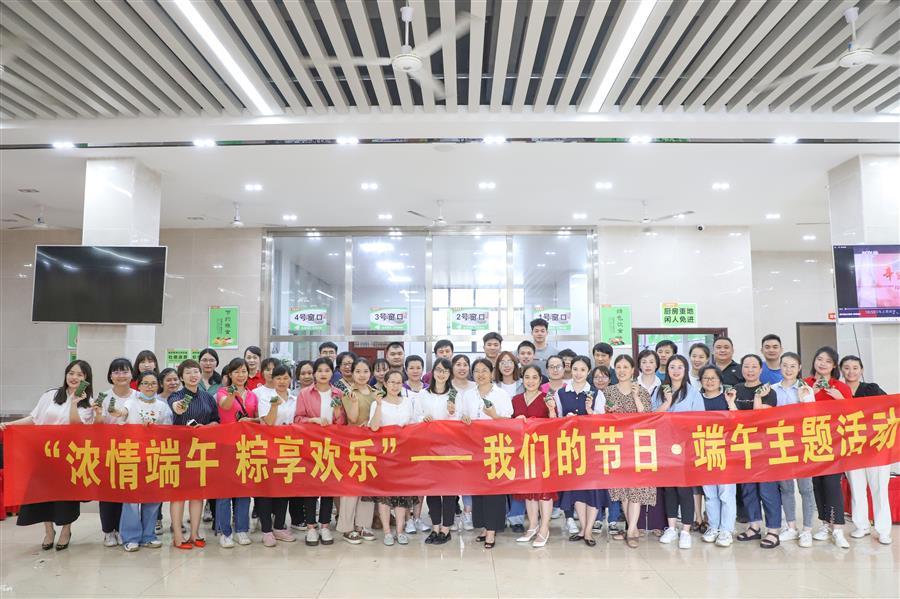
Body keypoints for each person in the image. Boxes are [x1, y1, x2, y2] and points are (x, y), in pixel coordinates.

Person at [1, 360, 94, 551]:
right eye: (71, 373)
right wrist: (10, 425)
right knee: (43, 494)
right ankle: (48, 531)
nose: (74, 377)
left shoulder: (89, 402)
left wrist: (74, 403)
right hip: (44, 453)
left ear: (86, 379)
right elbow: (34, 418)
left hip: (68, 456)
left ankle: (66, 530)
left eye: (80, 374)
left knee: (66, 497)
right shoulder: (50, 395)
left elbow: (77, 427)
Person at [117, 371, 173, 552]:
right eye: (146, 383)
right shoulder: (130, 402)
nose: (149, 387)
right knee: (132, 499)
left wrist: (155, 429)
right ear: (139, 385)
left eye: (153, 383)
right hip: (132, 456)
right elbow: (122, 413)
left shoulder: (163, 406)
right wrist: (114, 411)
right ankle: (130, 537)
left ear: (158, 385)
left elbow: (168, 430)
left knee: (153, 497)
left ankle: (148, 535)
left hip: (154, 456)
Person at [731, 354, 782, 549]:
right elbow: (733, 419)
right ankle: (754, 526)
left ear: (761, 370)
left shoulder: (768, 391)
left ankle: (773, 530)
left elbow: (760, 419)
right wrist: (732, 403)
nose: (750, 370)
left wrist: (758, 398)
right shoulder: (736, 390)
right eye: (746, 366)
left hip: (764, 448)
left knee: (768, 490)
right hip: (743, 447)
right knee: (748, 489)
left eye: (754, 367)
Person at [840, 355, 892, 545]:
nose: (851, 372)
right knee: (857, 488)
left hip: (876, 448)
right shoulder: (838, 391)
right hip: (851, 448)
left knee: (879, 490)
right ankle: (861, 525)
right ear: (841, 370)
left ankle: (883, 530)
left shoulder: (872, 389)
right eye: (847, 368)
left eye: (855, 368)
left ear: (861, 370)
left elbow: (890, 407)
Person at [805, 346, 853, 549]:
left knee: (832, 483)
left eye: (827, 361)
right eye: (819, 359)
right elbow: (797, 411)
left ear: (834, 366)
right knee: (817, 483)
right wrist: (812, 394)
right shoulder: (806, 384)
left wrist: (840, 399)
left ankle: (838, 528)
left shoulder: (841, 387)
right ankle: (825, 524)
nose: (822, 364)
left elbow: (854, 414)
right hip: (811, 441)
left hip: (835, 442)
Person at [653, 356, 704, 549]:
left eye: (680, 367)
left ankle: (686, 531)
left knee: (684, 489)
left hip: (685, 447)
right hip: (664, 446)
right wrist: (667, 403)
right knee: (669, 488)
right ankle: (672, 528)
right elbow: (651, 417)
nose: (675, 371)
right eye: (672, 367)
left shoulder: (693, 393)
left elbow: (700, 421)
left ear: (685, 370)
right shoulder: (659, 391)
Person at [168, 359, 219, 548]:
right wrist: (180, 407)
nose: (193, 375)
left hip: (201, 450)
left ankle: (195, 534)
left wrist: (206, 427)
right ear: (181, 377)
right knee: (179, 494)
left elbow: (216, 420)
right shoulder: (176, 396)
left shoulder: (208, 397)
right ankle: (178, 537)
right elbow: (176, 406)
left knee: (198, 494)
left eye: (195, 371)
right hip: (179, 450)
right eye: (188, 372)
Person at [462, 358, 513, 548]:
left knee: (494, 490)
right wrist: (463, 418)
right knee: (478, 489)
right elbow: (461, 416)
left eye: (484, 370)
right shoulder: (468, 395)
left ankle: (492, 530)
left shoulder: (501, 394)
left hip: (495, 446)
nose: (480, 374)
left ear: (492, 373)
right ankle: (484, 526)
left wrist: (494, 416)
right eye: (476, 371)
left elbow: (509, 422)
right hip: (474, 446)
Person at [294, 358, 346, 546]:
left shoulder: (338, 393)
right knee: (311, 486)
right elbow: (297, 419)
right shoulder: (305, 393)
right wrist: (313, 420)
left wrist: (338, 411)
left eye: (327, 370)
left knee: (327, 486)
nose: (323, 374)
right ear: (315, 373)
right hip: (311, 445)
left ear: (332, 373)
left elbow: (342, 423)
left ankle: (325, 525)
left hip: (331, 445)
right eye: (320, 370)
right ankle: (311, 527)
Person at [556, 356, 607, 547]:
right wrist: (565, 419)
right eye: (575, 369)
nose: (578, 373)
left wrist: (590, 413)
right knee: (577, 488)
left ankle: (589, 530)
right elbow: (556, 420)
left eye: (583, 370)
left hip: (592, 448)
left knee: (593, 489)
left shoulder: (596, 393)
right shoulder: (561, 393)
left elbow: (603, 421)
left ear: (588, 372)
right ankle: (583, 527)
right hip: (571, 446)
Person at [606, 355, 655, 549]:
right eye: (618, 367)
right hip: (617, 446)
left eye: (626, 367)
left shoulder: (641, 391)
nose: (622, 371)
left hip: (638, 447)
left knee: (636, 489)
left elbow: (648, 418)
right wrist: (609, 412)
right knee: (623, 490)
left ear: (633, 370)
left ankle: (632, 529)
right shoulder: (609, 391)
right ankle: (631, 530)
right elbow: (602, 419)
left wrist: (635, 397)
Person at [368, 370, 418, 546]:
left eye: (399, 382)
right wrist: (379, 405)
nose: (395, 386)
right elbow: (374, 427)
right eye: (392, 382)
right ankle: (387, 532)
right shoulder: (377, 403)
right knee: (385, 495)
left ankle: (400, 531)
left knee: (402, 494)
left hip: (403, 455)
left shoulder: (407, 402)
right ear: (385, 384)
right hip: (385, 455)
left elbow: (413, 425)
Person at [772, 352, 816, 548]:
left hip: (802, 444)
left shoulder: (806, 390)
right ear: (780, 367)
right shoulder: (773, 389)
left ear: (799, 368)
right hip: (781, 444)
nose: (788, 370)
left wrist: (802, 400)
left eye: (792, 366)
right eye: (785, 365)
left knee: (806, 488)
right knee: (786, 488)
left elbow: (813, 417)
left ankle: (807, 530)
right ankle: (791, 527)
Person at [215, 358, 259, 547]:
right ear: (230, 374)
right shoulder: (222, 392)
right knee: (224, 491)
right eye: (236, 372)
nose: (241, 375)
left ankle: (242, 529)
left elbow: (258, 419)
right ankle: (224, 532)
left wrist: (250, 421)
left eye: (244, 371)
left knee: (244, 489)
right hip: (226, 446)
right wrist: (233, 393)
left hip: (246, 446)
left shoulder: (253, 395)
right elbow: (225, 406)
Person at [511, 365, 556, 548]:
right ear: (522, 379)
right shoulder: (515, 400)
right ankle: (532, 526)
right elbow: (508, 424)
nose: (530, 381)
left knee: (544, 491)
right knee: (528, 491)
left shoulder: (547, 398)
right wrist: (515, 422)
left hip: (543, 451)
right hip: (524, 451)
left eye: (534, 377)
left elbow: (556, 424)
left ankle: (544, 528)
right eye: (527, 377)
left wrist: (552, 410)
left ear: (540, 380)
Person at [417, 358, 461, 545]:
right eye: (438, 370)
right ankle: (435, 526)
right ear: (433, 372)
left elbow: (461, 419)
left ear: (449, 374)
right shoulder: (423, 394)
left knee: (449, 489)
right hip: (428, 447)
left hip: (449, 447)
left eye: (445, 371)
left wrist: (452, 413)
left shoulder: (455, 394)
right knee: (432, 489)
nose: (441, 374)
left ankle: (446, 528)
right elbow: (415, 416)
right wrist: (422, 418)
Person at [93, 358, 136, 547]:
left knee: (127, 493)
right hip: (108, 451)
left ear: (131, 374)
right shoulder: (102, 396)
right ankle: (108, 531)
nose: (121, 375)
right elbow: (97, 426)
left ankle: (122, 529)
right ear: (110, 376)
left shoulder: (138, 396)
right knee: (108, 492)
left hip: (132, 451)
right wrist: (98, 415)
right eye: (117, 372)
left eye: (125, 371)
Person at [256, 364, 300, 547]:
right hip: (267, 448)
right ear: (272, 379)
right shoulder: (265, 397)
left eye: (285, 378)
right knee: (266, 489)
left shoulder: (294, 398)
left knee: (284, 487)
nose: (282, 381)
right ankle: (266, 530)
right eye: (278, 378)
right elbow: (268, 422)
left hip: (288, 448)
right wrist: (274, 406)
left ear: (291, 379)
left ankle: (279, 526)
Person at [336, 358, 377, 544]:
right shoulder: (348, 392)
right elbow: (352, 419)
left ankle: (363, 525)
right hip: (352, 444)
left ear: (371, 373)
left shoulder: (376, 393)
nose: (362, 375)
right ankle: (347, 528)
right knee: (350, 486)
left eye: (365, 371)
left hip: (372, 445)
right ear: (352, 373)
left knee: (367, 486)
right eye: (358, 371)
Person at [697, 365, 737, 547]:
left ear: (720, 380)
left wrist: (731, 402)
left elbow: (737, 420)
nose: (709, 381)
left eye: (713, 378)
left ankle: (726, 530)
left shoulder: (726, 397)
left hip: (725, 452)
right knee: (710, 493)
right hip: (704, 451)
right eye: (706, 378)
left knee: (726, 493)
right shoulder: (697, 398)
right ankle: (713, 526)